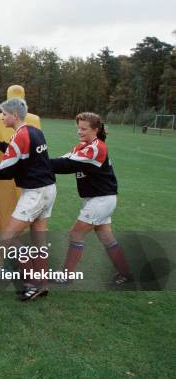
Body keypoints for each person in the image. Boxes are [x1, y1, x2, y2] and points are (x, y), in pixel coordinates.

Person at [0, 98, 56, 301]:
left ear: (14, 115)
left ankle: (32, 283)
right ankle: (42, 284)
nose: (3, 117)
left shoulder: (19, 136)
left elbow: (6, 172)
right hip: (48, 189)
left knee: (8, 238)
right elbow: (20, 152)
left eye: (4, 114)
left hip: (34, 193)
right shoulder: (34, 131)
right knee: (39, 240)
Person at [50, 112, 133, 286]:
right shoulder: (82, 146)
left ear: (95, 129)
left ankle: (66, 275)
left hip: (101, 200)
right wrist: (41, 162)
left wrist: (37, 163)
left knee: (76, 233)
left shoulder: (98, 147)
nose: (79, 132)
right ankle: (126, 273)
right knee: (106, 238)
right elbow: (63, 159)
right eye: (78, 128)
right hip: (97, 199)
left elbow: (68, 165)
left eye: (84, 128)